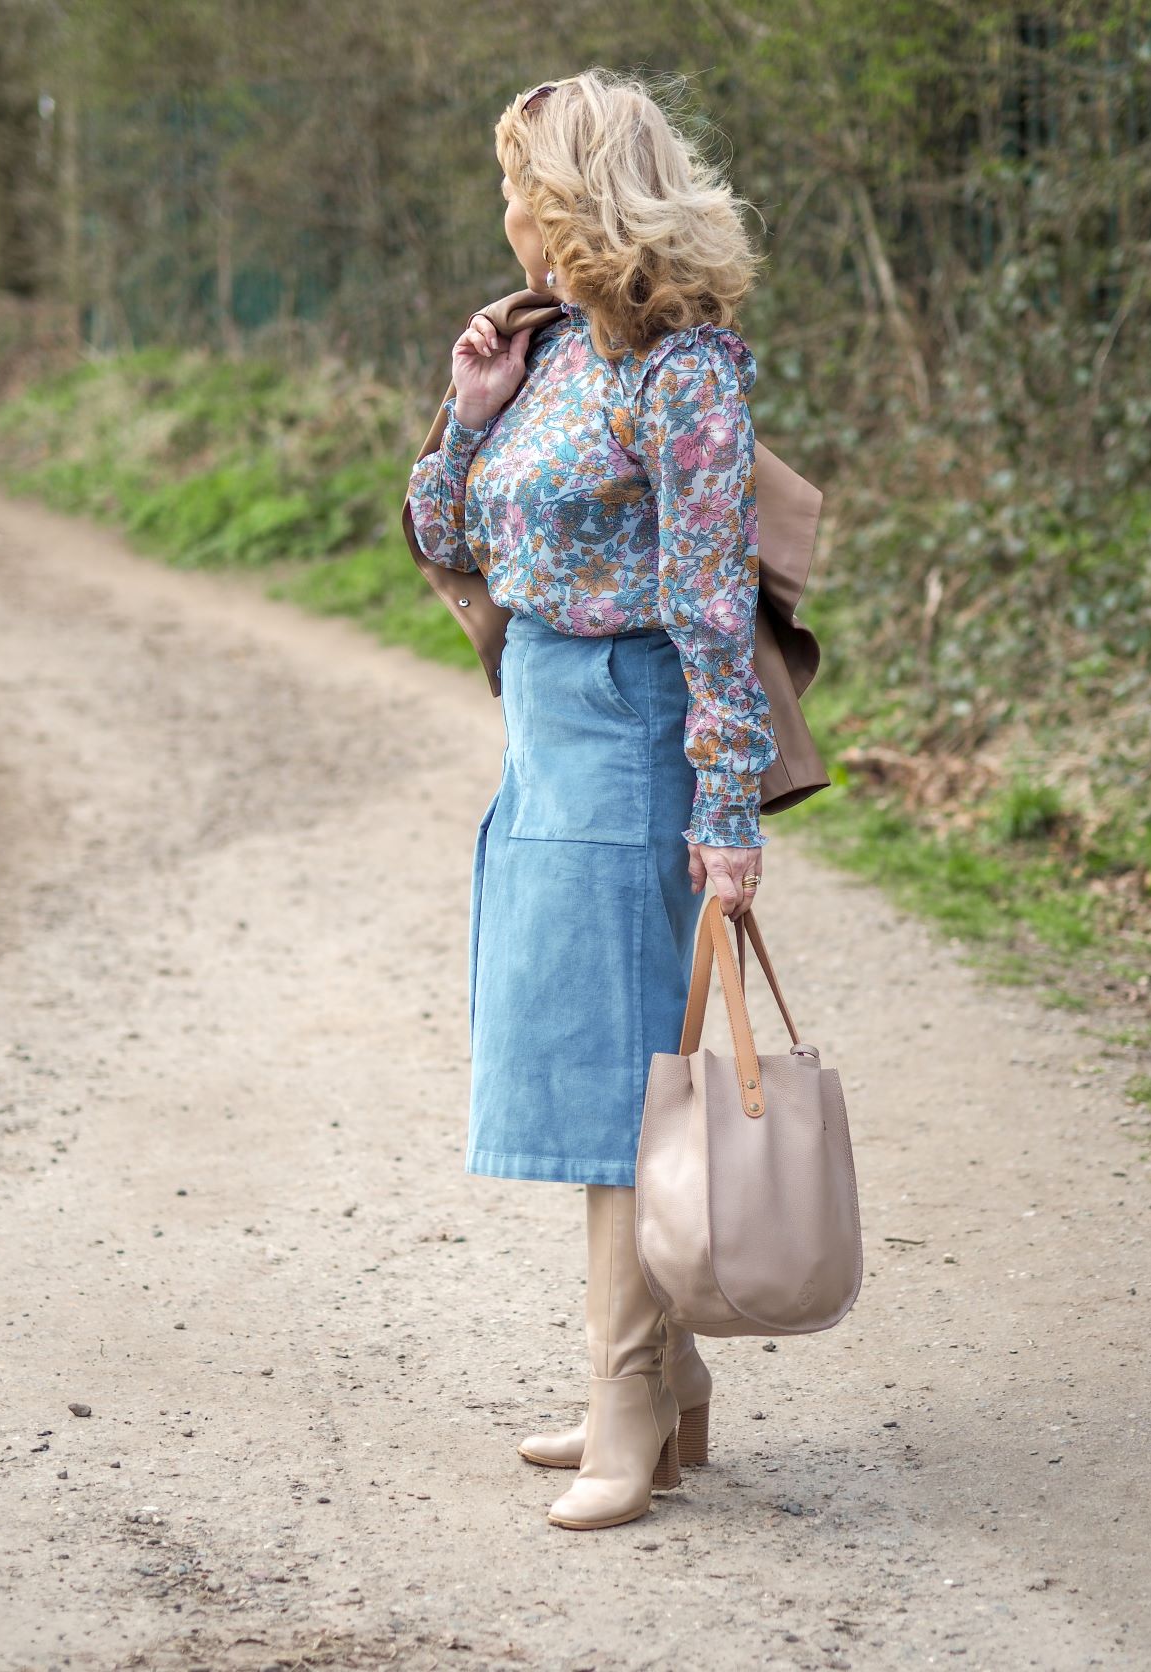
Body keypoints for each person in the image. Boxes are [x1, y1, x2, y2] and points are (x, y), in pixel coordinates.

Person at [405, 68, 776, 1531]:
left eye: (522, 189)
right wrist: (468, 405)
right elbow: (447, 532)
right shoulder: (547, 354)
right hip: (543, 728)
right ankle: (663, 1391)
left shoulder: (684, 367)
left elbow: (709, 603)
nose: (506, 216)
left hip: (629, 729)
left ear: (576, 199)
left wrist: (726, 816)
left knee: (630, 1091)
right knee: (596, 1074)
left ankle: (633, 1400)